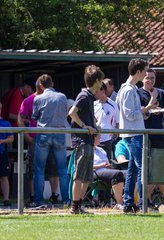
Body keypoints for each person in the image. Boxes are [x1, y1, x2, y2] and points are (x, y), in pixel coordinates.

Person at [116, 58, 157, 213]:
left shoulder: (130, 88)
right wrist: (146, 109)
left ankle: (128, 202)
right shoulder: (127, 90)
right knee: (142, 168)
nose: (146, 74)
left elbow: (133, 113)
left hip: (134, 132)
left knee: (134, 169)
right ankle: (142, 202)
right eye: (145, 71)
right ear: (138, 72)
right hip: (133, 134)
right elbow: (129, 114)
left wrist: (146, 110)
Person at [138, 68, 164, 210]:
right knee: (145, 169)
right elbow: (139, 114)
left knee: (159, 169)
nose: (150, 80)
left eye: (152, 78)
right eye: (147, 78)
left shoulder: (161, 93)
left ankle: (147, 200)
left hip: (160, 136)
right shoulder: (137, 93)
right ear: (143, 78)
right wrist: (150, 107)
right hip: (144, 135)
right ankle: (144, 200)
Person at [18, 79, 60, 204]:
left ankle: (54, 196)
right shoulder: (28, 100)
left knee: (53, 167)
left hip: (50, 137)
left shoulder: (53, 99)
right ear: (41, 86)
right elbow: (20, 118)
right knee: (33, 169)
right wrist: (27, 136)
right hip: (35, 139)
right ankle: (33, 197)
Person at [69, 65, 104, 214]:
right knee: (79, 176)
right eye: (101, 80)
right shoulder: (83, 96)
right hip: (81, 141)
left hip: (88, 140)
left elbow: (85, 115)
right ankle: (74, 207)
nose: (102, 83)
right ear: (97, 81)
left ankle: (79, 205)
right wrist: (84, 126)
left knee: (87, 177)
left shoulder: (90, 97)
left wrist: (94, 126)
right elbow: (72, 113)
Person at [31, 74, 70, 207]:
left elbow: (34, 117)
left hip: (43, 134)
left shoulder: (38, 98)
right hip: (59, 133)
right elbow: (65, 114)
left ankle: (38, 200)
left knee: (39, 169)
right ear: (52, 83)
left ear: (41, 86)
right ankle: (66, 200)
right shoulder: (62, 97)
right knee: (63, 170)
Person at [93, 134, 125, 209]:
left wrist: (108, 165)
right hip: (95, 173)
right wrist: (101, 165)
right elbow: (87, 167)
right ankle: (119, 203)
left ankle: (127, 200)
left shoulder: (101, 150)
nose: (100, 138)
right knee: (117, 174)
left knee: (130, 173)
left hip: (106, 171)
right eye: (98, 137)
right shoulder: (88, 151)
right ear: (93, 138)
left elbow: (107, 163)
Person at [94, 83, 119, 159]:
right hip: (94, 140)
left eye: (96, 91)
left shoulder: (113, 104)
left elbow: (118, 122)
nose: (94, 93)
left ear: (103, 91)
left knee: (107, 163)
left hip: (107, 140)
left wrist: (114, 136)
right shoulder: (93, 104)